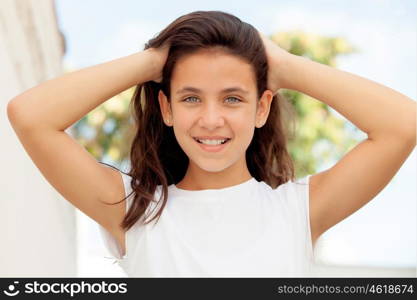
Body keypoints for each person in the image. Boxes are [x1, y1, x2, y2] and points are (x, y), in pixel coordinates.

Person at [7, 10, 415, 277]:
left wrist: (285, 65)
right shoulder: (134, 210)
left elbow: (403, 124)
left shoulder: (298, 210)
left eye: (233, 98)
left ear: (262, 108)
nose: (211, 119)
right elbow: (31, 115)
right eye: (190, 97)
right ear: (166, 108)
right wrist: (153, 60)